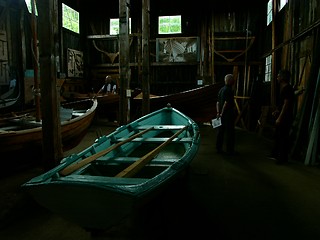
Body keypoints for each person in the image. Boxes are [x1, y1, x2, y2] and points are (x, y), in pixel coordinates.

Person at [270, 69, 295, 164]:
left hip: (285, 118)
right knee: (278, 136)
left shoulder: (287, 89)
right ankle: (276, 155)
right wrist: (277, 111)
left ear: (283, 77)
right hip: (282, 116)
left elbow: (286, 104)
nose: (277, 77)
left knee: (283, 138)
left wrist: (280, 117)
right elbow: (282, 104)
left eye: (278, 75)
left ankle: (282, 159)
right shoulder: (284, 88)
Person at [215, 73, 236, 155]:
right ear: (230, 81)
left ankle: (218, 149)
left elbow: (217, 102)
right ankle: (230, 150)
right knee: (230, 132)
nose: (234, 81)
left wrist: (218, 113)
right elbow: (226, 103)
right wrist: (222, 113)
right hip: (227, 114)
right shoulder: (229, 90)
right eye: (233, 80)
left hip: (220, 114)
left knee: (220, 132)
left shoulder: (221, 89)